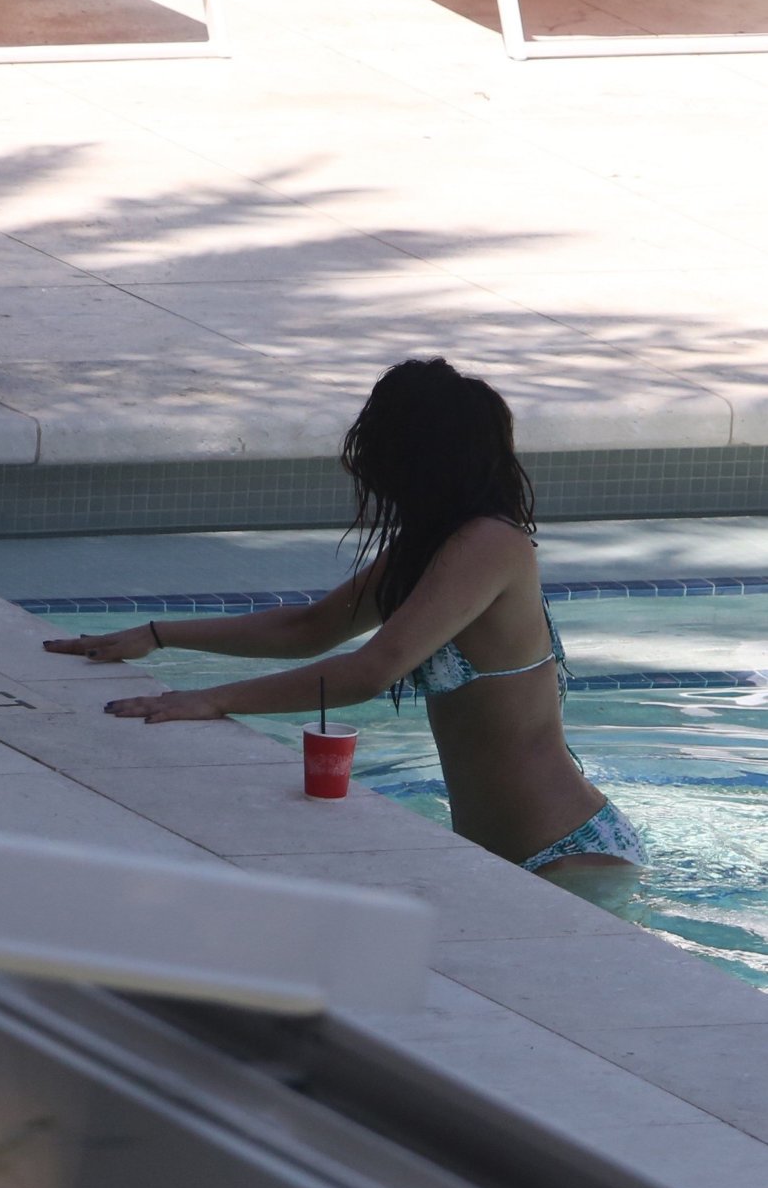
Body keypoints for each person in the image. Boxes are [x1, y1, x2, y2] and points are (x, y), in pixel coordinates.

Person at [43, 357, 647, 876]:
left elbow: (371, 671)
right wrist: (155, 635)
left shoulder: (490, 545)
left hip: (569, 854)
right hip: (505, 856)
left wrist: (215, 699)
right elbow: (309, 629)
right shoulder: (431, 548)